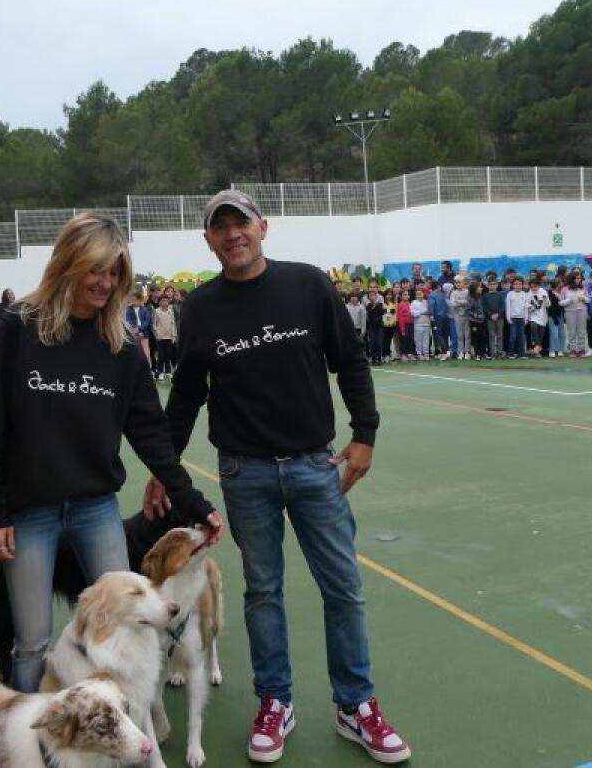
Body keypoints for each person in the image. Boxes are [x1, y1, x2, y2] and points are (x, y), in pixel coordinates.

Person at [147, 190, 411, 765]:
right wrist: (165, 468)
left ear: (262, 228)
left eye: (241, 223)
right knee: (263, 591)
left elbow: (351, 361)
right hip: (245, 472)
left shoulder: (308, 285)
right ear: (209, 240)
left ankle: (356, 706)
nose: (233, 234)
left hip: (317, 466)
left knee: (342, 586)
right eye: (221, 227)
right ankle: (276, 701)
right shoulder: (201, 308)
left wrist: (364, 435)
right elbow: (188, 394)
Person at [0, 214, 222, 694]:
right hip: (28, 512)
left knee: (129, 622)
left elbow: (152, 435)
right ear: (68, 264)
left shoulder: (122, 345)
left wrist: (195, 504)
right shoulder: (21, 328)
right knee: (32, 641)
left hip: (94, 509)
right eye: (95, 270)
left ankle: (122, 728)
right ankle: (27, 742)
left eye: (114, 273)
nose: (105, 283)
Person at [152, 295, 178, 380]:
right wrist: (157, 335)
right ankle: (160, 372)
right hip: (160, 338)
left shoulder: (170, 311)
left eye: (166, 301)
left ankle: (168, 372)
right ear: (159, 302)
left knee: (168, 355)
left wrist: (174, 335)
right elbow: (153, 325)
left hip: (169, 337)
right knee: (161, 356)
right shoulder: (156, 311)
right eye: (163, 300)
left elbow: (173, 323)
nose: (165, 302)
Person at [561, 277, 589, 357]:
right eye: (576, 278)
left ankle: (581, 350)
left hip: (582, 311)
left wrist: (584, 298)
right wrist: (568, 301)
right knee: (571, 332)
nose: (578, 280)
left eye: (579, 278)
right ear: (572, 279)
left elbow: (588, 300)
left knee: (582, 331)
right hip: (570, 312)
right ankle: (572, 350)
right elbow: (561, 302)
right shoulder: (565, 289)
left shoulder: (583, 288)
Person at [505, 277, 528, 359]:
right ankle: (510, 353)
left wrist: (526, 318)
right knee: (513, 336)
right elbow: (508, 307)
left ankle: (522, 353)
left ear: (522, 285)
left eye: (519, 284)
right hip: (513, 319)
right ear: (512, 285)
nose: (517, 286)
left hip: (521, 318)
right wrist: (508, 318)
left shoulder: (525, 294)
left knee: (521, 337)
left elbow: (526, 307)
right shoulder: (510, 294)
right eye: (515, 284)